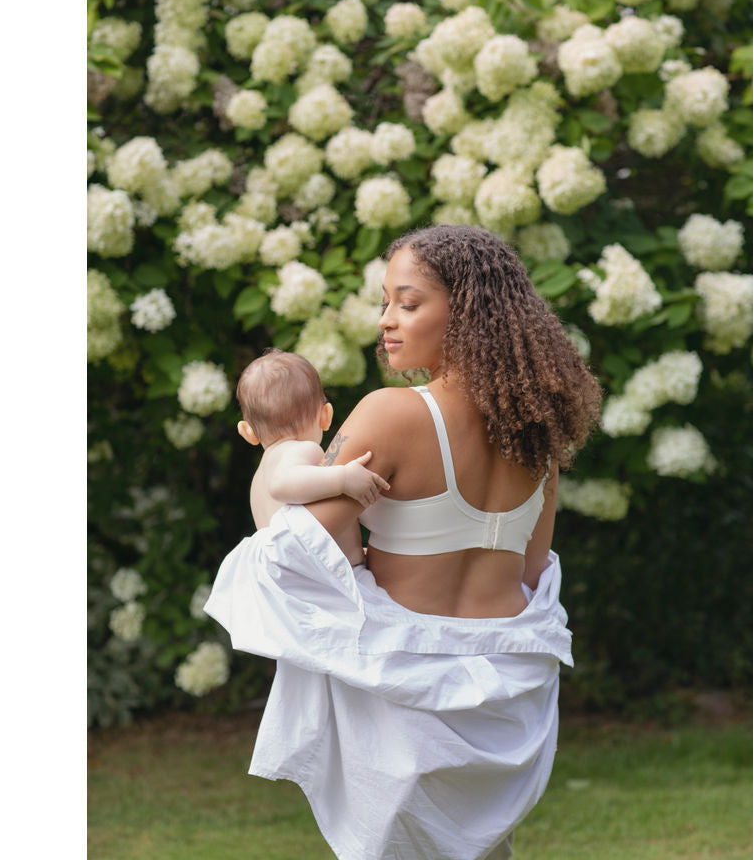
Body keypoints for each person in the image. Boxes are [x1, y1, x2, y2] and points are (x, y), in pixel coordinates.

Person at [205, 225, 602, 860]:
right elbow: (531, 571)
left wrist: (275, 472)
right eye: (385, 302)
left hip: (403, 692)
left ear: (466, 312)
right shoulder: (537, 434)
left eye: (408, 303)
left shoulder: (392, 413)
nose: (386, 320)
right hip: (509, 695)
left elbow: (298, 546)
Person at [235, 349, 390, 532]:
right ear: (326, 416)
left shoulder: (259, 478)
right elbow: (281, 484)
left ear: (248, 432)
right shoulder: (302, 449)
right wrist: (343, 478)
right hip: (308, 552)